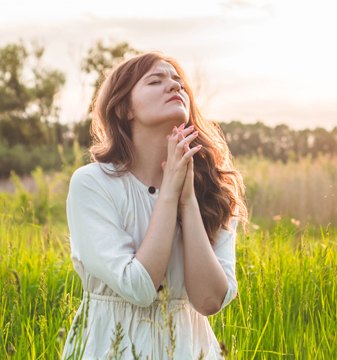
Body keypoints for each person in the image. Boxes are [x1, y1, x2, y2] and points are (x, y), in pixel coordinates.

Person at [61, 51, 248, 359]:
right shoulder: (92, 184)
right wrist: (169, 193)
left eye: (179, 83)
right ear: (124, 108)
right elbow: (139, 287)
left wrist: (186, 200)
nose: (175, 87)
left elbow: (208, 300)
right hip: (113, 347)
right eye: (155, 81)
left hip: (189, 349)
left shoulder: (213, 190)